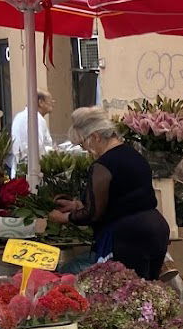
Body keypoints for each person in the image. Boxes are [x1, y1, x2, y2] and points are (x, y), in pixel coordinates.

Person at [48, 107, 169, 279]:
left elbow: (93, 214)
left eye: (83, 143)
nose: (86, 150)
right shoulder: (134, 154)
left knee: (125, 293)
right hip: (155, 228)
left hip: (129, 235)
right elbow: (122, 196)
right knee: (146, 293)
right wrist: (76, 205)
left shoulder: (103, 165)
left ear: (95, 137)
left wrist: (64, 218)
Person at [10, 91, 54, 175]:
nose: (53, 104)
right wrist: (54, 152)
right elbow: (38, 147)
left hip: (18, 169)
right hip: (32, 171)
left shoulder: (18, 117)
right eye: (50, 101)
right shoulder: (35, 118)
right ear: (40, 102)